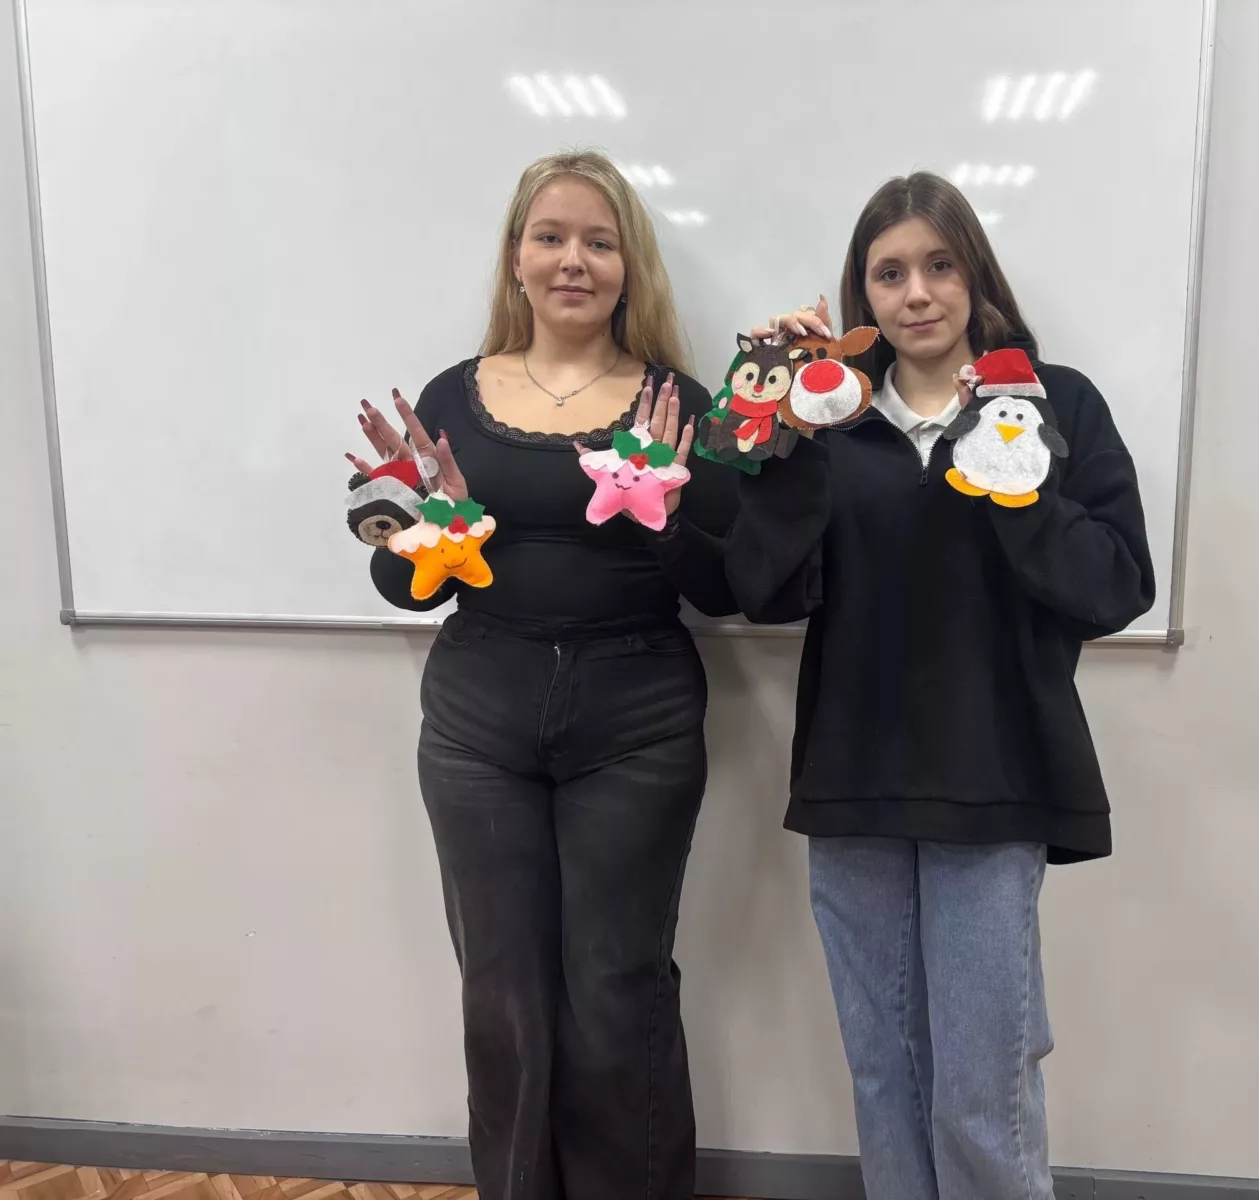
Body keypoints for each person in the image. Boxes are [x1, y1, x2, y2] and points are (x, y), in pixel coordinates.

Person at [725, 172, 1156, 1199]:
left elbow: (1115, 584)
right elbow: (760, 590)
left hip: (994, 780)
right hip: (852, 781)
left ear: (974, 275)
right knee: (884, 1078)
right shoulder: (828, 421)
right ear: (861, 293)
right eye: (889, 274)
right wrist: (780, 430)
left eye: (939, 265)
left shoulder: (1053, 404)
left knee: (977, 1089)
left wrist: (1011, 478)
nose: (916, 293)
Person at [346, 151, 735, 1200]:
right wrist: (414, 525)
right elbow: (407, 589)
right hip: (479, 722)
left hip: (638, 723)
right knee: (502, 995)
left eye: (599, 242)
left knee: (617, 989)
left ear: (628, 265)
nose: (573, 260)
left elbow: (725, 585)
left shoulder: (678, 403)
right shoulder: (451, 398)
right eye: (550, 237)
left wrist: (667, 513)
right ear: (515, 258)